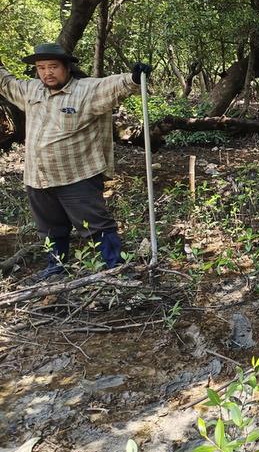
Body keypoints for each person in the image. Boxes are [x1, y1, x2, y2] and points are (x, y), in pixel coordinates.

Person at [0, 42, 152, 281]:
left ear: (67, 67)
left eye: (53, 66)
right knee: (50, 228)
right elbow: (7, 83)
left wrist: (134, 77)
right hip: (37, 177)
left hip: (77, 176)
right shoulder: (32, 91)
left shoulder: (85, 90)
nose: (47, 72)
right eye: (41, 68)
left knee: (96, 225)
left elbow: (114, 86)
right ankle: (56, 267)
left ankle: (115, 269)